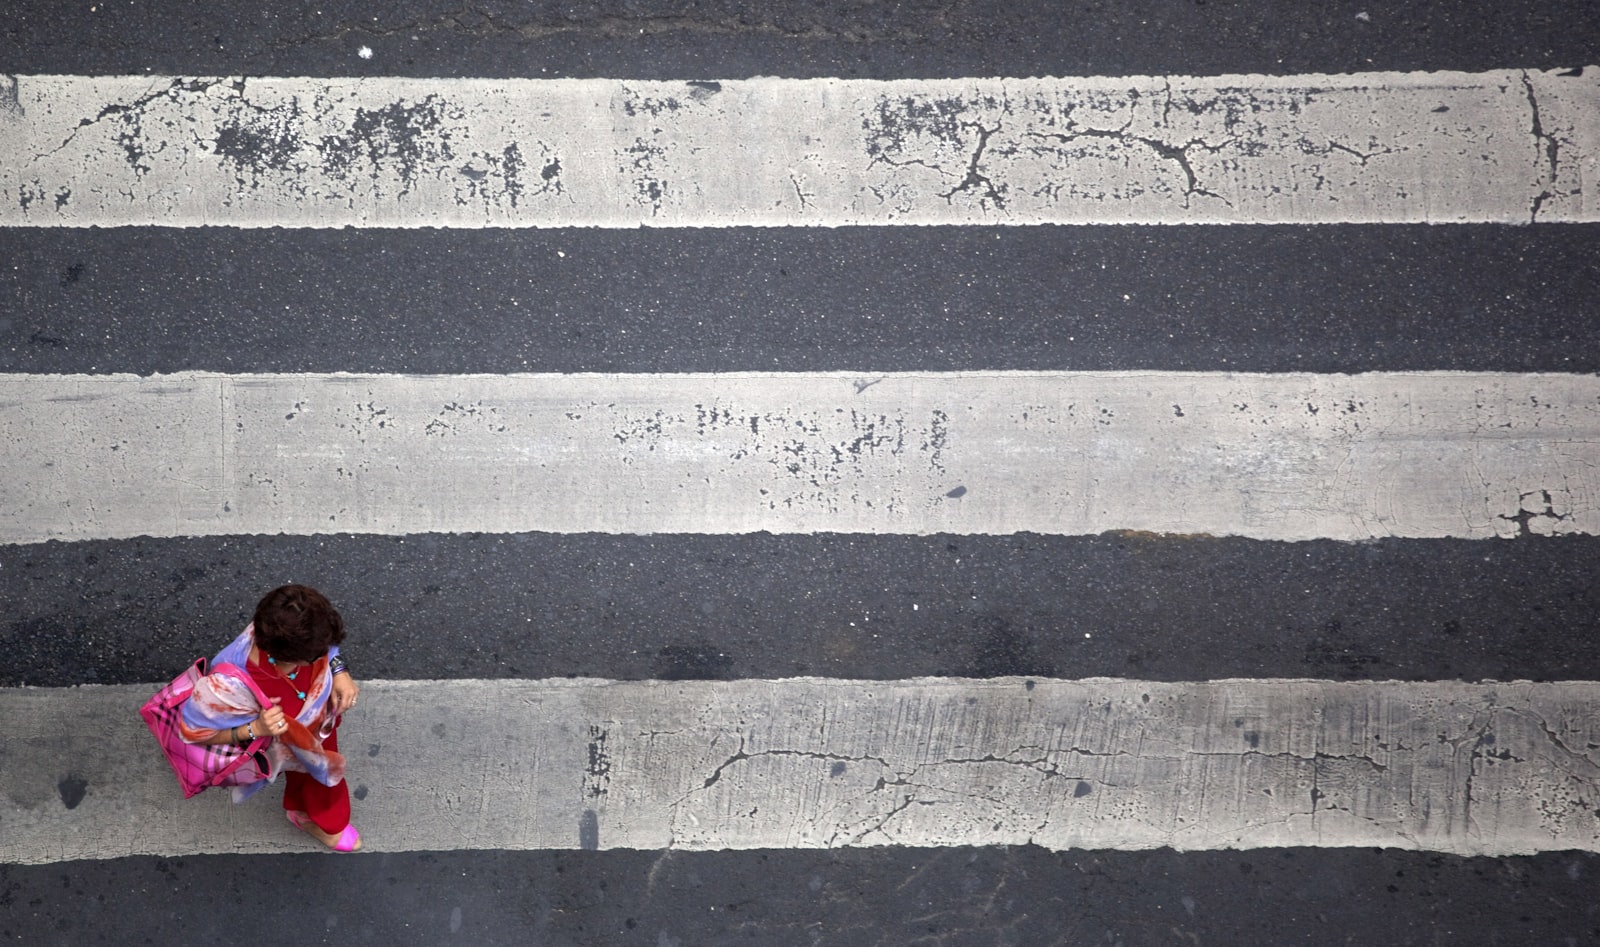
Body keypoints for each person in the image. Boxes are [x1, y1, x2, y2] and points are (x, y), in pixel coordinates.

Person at [179, 584, 364, 852]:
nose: (325, 653)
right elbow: (192, 731)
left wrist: (339, 670)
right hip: (287, 742)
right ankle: (320, 820)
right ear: (291, 656)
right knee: (320, 774)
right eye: (317, 655)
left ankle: (304, 809)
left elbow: (328, 647)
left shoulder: (284, 626)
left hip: (309, 730)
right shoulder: (225, 685)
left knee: (314, 768)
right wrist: (255, 729)